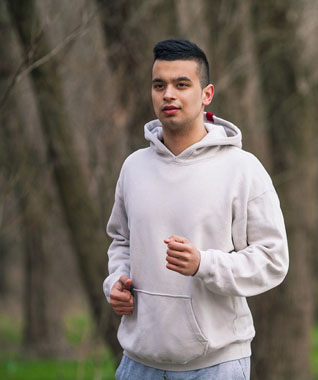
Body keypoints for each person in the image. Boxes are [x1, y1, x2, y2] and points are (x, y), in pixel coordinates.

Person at [103, 39, 289, 380]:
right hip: (139, 361)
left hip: (216, 364)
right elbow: (121, 242)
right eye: (159, 85)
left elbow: (273, 259)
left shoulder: (242, 168)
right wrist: (116, 282)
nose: (168, 95)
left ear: (207, 94)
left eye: (181, 84)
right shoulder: (134, 167)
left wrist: (204, 264)